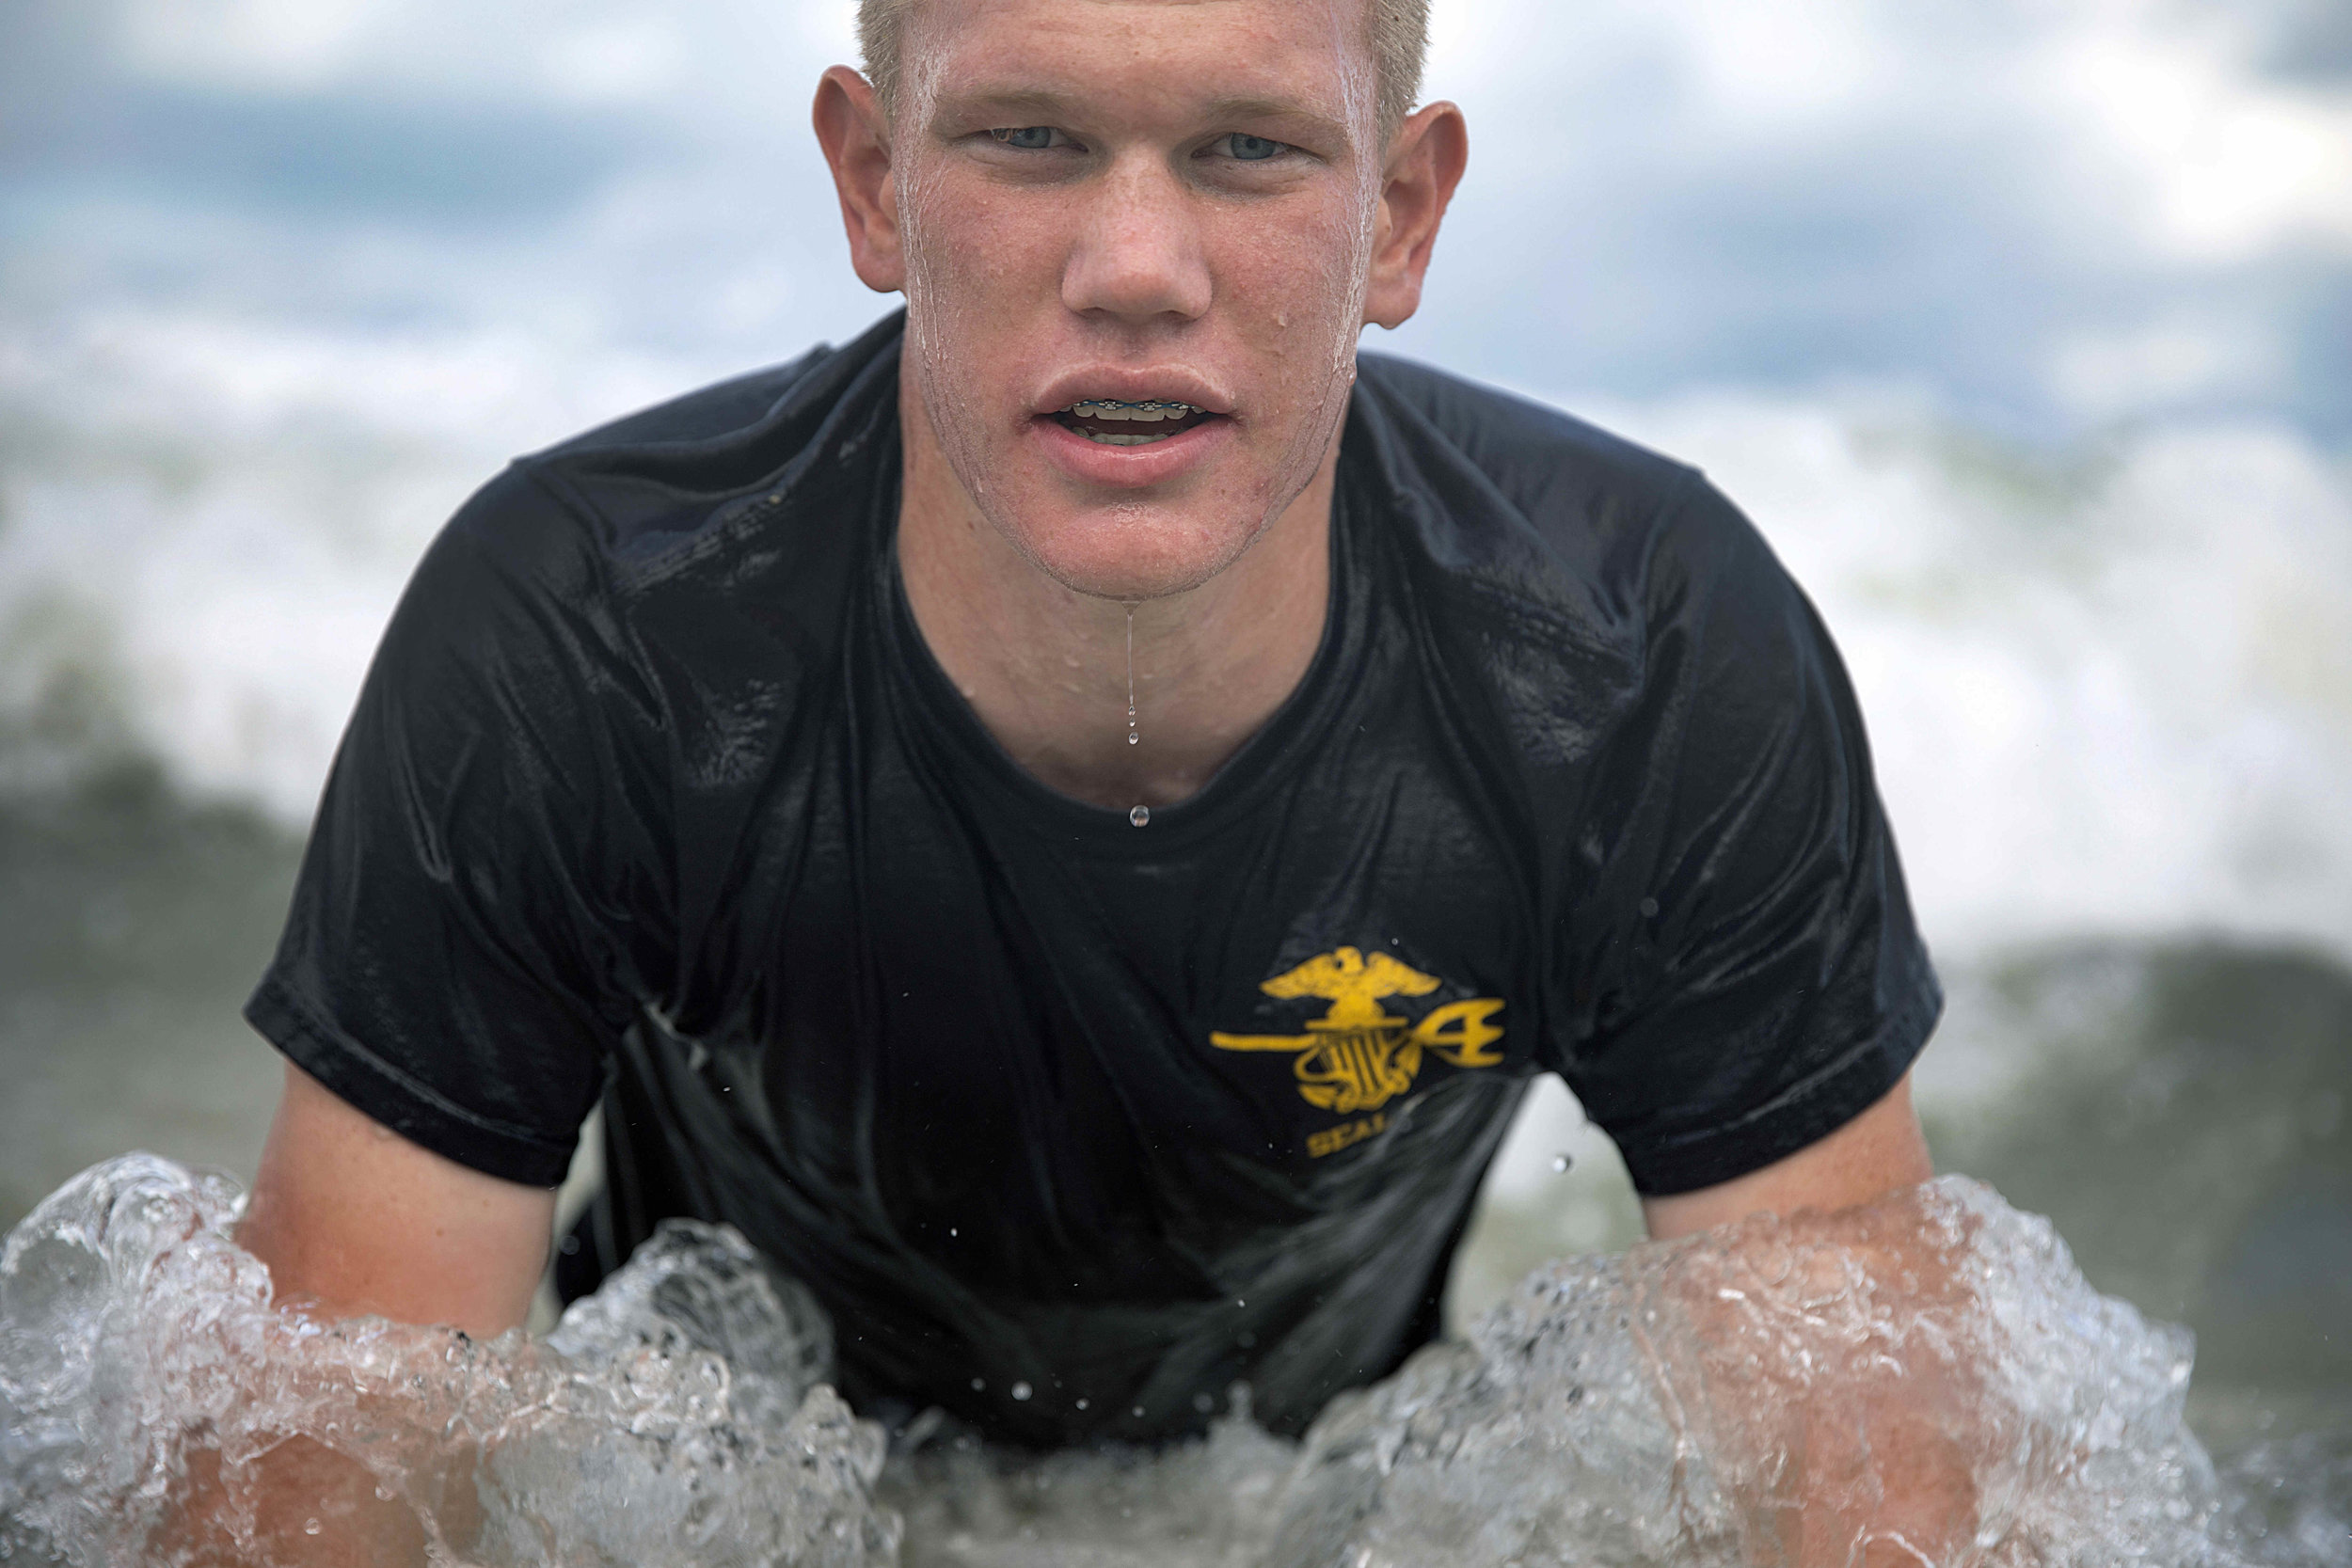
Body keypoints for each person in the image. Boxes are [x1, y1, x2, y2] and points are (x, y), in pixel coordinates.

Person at [235, 0, 1947, 1551]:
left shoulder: (1638, 661)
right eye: (1031, 138)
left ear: (1401, 215)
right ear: (875, 185)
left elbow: (1878, 1462)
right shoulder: (588, 639)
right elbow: (330, 1458)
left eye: (1249, 149)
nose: (1136, 270)